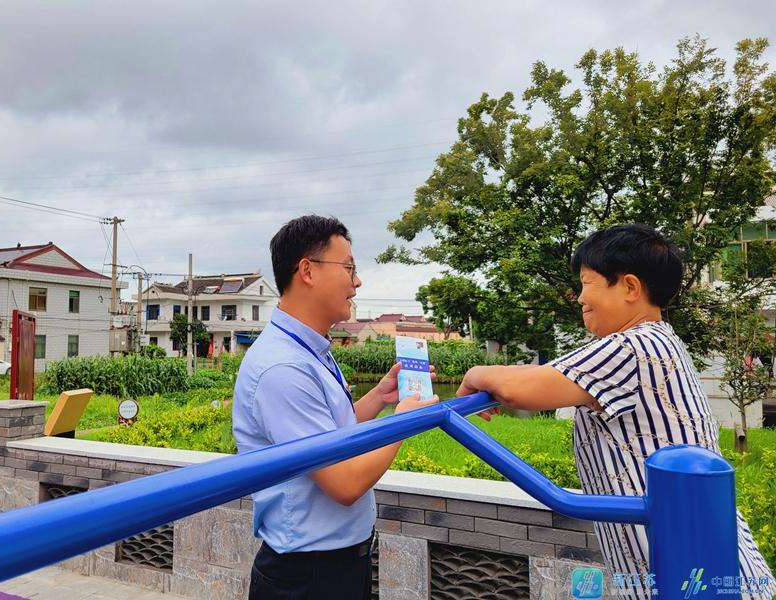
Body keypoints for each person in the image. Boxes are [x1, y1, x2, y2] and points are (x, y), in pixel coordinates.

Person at [457, 224, 775, 600]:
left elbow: (516, 388)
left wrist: (474, 373)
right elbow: (541, 374)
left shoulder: (632, 347)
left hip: (695, 572)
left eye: (587, 283)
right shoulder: (652, 340)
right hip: (696, 561)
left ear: (629, 287)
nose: (579, 298)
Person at [233, 215, 439, 600]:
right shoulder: (283, 367)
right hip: (308, 576)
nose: (357, 282)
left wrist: (379, 398)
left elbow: (331, 436)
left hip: (337, 565)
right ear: (308, 271)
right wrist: (403, 423)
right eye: (349, 268)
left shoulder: (307, 351)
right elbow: (343, 483)